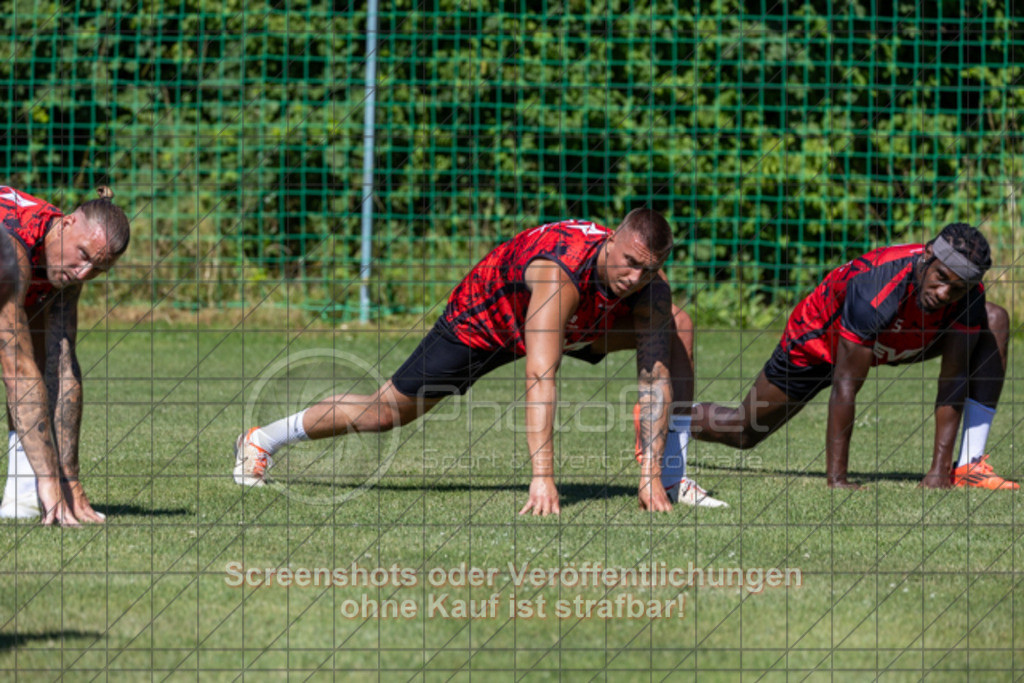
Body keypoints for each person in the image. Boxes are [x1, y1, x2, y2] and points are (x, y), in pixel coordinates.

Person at [234, 209, 726, 514]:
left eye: (649, 269)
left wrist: (651, 471)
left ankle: (668, 479)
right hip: (484, 322)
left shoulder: (647, 287)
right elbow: (540, 374)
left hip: (580, 321)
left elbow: (654, 376)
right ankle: (263, 440)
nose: (636, 277)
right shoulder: (561, 273)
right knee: (387, 412)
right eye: (631, 262)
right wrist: (542, 478)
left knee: (675, 325)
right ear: (613, 240)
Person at [689, 222, 1016, 490]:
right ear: (928, 255)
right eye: (941, 278)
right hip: (819, 342)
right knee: (744, 431)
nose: (944, 293)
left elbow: (954, 377)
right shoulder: (876, 286)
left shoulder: (968, 294)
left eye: (956, 289)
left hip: (896, 339)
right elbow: (845, 386)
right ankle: (665, 417)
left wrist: (937, 472)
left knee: (995, 321)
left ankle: (968, 465)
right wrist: (838, 480)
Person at [0, 186, 131, 526]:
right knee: (21, 359)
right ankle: (36, 486)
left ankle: (23, 495)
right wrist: (49, 477)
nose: (82, 273)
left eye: (97, 269)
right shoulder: (12, 246)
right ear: (66, 223)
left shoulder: (62, 252)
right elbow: (16, 367)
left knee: (48, 353)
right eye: (84, 256)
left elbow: (62, 365)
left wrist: (68, 478)